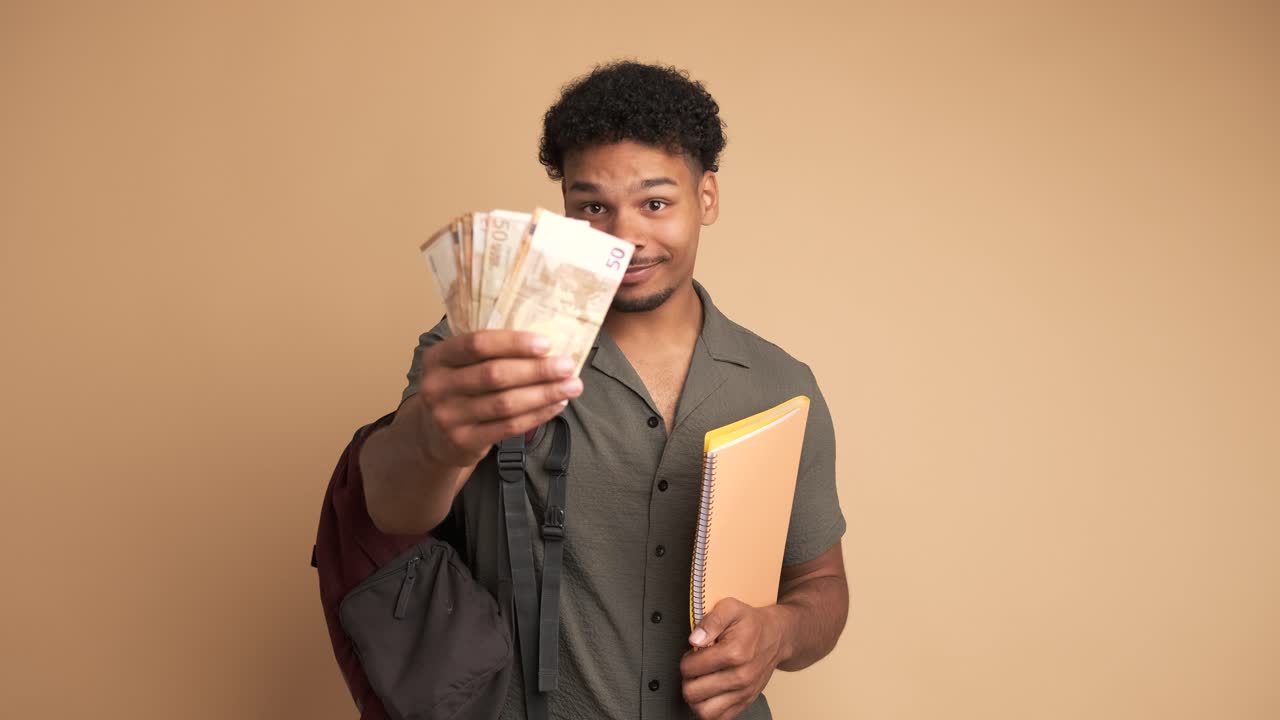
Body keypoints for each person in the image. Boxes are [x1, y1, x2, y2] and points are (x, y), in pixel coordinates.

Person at [358, 61, 848, 720]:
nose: (624, 240)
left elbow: (821, 586)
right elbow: (392, 508)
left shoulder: (781, 383)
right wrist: (430, 440)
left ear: (706, 198)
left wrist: (779, 633)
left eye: (655, 202)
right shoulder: (489, 343)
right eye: (594, 207)